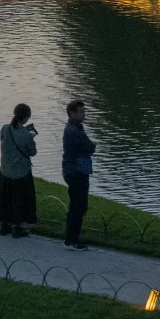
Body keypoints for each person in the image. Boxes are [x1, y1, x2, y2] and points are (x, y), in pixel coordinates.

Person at [0, 103, 39, 237]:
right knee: (20, 200)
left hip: (5, 170)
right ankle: (18, 227)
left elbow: (3, 140)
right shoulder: (26, 135)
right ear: (26, 118)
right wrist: (30, 137)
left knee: (5, 198)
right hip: (21, 173)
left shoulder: (5, 128)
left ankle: (5, 225)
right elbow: (32, 152)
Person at [62, 100, 96, 250]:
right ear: (72, 113)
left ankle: (72, 236)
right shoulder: (73, 131)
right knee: (79, 205)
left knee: (77, 205)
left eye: (84, 111)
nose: (84, 114)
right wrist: (91, 146)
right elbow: (89, 147)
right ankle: (71, 240)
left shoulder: (77, 127)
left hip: (78, 169)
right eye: (81, 112)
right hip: (76, 171)